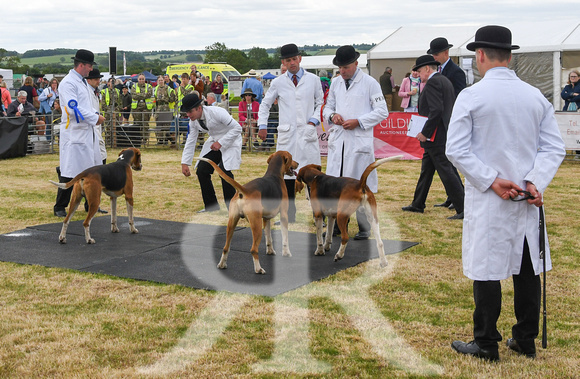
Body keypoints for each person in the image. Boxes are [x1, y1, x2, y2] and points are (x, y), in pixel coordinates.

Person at [446, 25, 566, 362]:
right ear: (510, 56)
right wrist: (534, 181)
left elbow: (455, 148)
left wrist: (491, 179)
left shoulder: (471, 96)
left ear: (480, 55)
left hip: (490, 197)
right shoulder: (534, 95)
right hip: (525, 196)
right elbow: (553, 148)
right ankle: (524, 339)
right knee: (526, 265)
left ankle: (486, 343)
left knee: (487, 267)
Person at [323, 45, 389, 240]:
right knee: (336, 184)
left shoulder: (370, 83)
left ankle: (364, 227)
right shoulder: (335, 83)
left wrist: (359, 122)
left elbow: (382, 111)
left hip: (358, 141)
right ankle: (336, 224)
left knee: (359, 184)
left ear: (355, 64)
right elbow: (328, 107)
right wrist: (333, 116)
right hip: (340, 141)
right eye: (340, 68)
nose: (342, 71)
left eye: (346, 67)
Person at [257, 43, 324, 223]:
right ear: (283, 62)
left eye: (294, 59)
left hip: (307, 131)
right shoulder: (278, 82)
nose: (292, 63)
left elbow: (321, 103)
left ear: (300, 59)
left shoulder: (313, 80)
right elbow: (265, 104)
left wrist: (313, 121)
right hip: (288, 135)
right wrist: (262, 125)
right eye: (288, 60)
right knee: (286, 178)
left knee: (313, 177)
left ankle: (318, 216)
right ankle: (288, 216)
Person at [401, 55, 465, 219]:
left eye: (420, 71)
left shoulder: (434, 82)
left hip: (436, 136)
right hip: (440, 134)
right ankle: (418, 203)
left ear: (427, 69)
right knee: (427, 170)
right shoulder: (444, 80)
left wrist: (425, 133)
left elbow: (436, 111)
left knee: (446, 172)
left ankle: (463, 207)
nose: (418, 74)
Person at [53, 49, 106, 218]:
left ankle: (91, 204)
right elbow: (72, 108)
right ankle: (60, 206)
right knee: (70, 172)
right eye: (90, 66)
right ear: (82, 65)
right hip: (75, 133)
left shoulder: (82, 82)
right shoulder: (68, 83)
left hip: (87, 132)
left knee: (93, 171)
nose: (91, 69)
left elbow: (86, 105)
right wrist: (94, 118)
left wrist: (94, 116)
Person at [180, 93, 242, 212]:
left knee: (224, 171)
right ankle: (211, 206)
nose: (188, 115)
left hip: (231, 141)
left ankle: (234, 208)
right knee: (202, 170)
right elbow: (191, 141)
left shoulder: (218, 112)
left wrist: (221, 142)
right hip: (214, 143)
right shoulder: (193, 121)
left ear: (199, 108)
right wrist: (185, 162)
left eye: (190, 111)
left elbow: (237, 128)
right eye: (186, 112)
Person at [428, 36, 467, 210]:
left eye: (436, 54)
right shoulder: (437, 72)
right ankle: (452, 196)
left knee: (449, 161)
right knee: (445, 162)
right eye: (432, 54)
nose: (434, 58)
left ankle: (459, 196)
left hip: (450, 120)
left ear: (446, 53)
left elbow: (459, 96)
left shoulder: (456, 72)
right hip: (440, 122)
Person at [131, 73, 153, 143]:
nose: (141, 80)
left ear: (145, 79)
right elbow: (134, 96)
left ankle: (145, 139)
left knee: (145, 124)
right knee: (137, 124)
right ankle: (137, 139)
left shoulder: (149, 86)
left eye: (142, 79)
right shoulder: (134, 86)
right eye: (140, 79)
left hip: (146, 108)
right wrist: (144, 95)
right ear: (138, 79)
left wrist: (139, 95)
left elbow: (149, 94)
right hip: (136, 108)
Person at [154, 75, 176, 144]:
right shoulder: (156, 88)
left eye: (161, 80)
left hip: (166, 108)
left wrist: (166, 99)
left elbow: (173, 98)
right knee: (158, 125)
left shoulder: (168, 88)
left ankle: (166, 140)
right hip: (158, 108)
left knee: (166, 125)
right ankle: (160, 140)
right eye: (159, 80)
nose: (160, 81)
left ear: (164, 80)